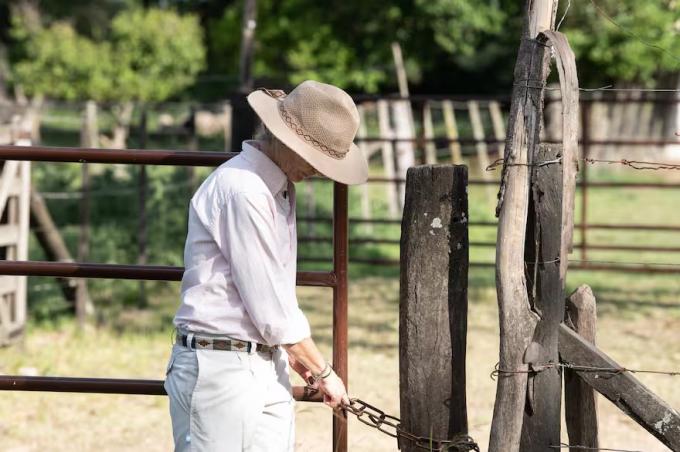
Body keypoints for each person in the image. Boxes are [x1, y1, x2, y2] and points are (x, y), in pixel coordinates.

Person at [164, 80, 368, 451]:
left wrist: (294, 353)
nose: (319, 171)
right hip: (221, 369)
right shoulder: (245, 190)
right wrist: (322, 371)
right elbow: (270, 306)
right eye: (314, 157)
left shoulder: (271, 187)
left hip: (257, 361)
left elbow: (272, 301)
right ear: (285, 139)